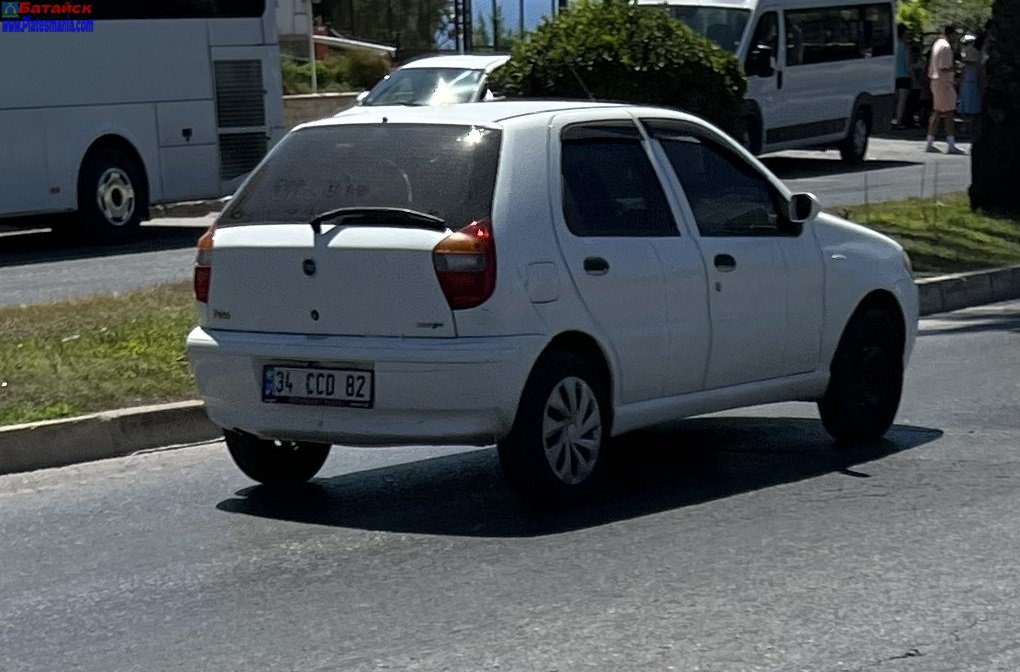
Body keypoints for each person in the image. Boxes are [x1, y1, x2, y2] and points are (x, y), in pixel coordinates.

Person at [926, 25, 965, 154]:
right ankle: (951, 144)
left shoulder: (937, 43)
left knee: (937, 111)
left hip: (935, 81)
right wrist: (956, 68)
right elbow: (944, 67)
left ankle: (930, 141)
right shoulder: (946, 47)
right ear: (951, 34)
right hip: (944, 82)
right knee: (949, 113)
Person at [956, 32, 981, 133]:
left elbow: (966, 66)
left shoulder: (970, 52)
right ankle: (968, 124)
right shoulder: (972, 52)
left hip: (969, 80)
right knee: (968, 104)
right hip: (970, 81)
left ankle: (968, 124)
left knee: (968, 104)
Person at [892, 23, 912, 128]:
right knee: (902, 101)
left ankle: (892, 119)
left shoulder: (892, 44)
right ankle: (899, 121)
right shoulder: (905, 45)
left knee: (894, 100)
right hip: (904, 75)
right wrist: (912, 75)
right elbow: (908, 63)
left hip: (893, 75)